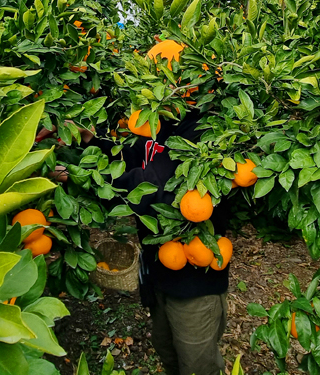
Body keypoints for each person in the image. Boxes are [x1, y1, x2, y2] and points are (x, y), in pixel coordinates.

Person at [43, 46, 229, 375]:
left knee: (197, 364)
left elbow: (152, 184)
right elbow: (130, 156)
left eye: (157, 80)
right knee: (166, 350)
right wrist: (88, 139)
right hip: (158, 268)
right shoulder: (156, 124)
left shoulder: (202, 133)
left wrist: (81, 178)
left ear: (182, 83)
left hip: (194, 280)